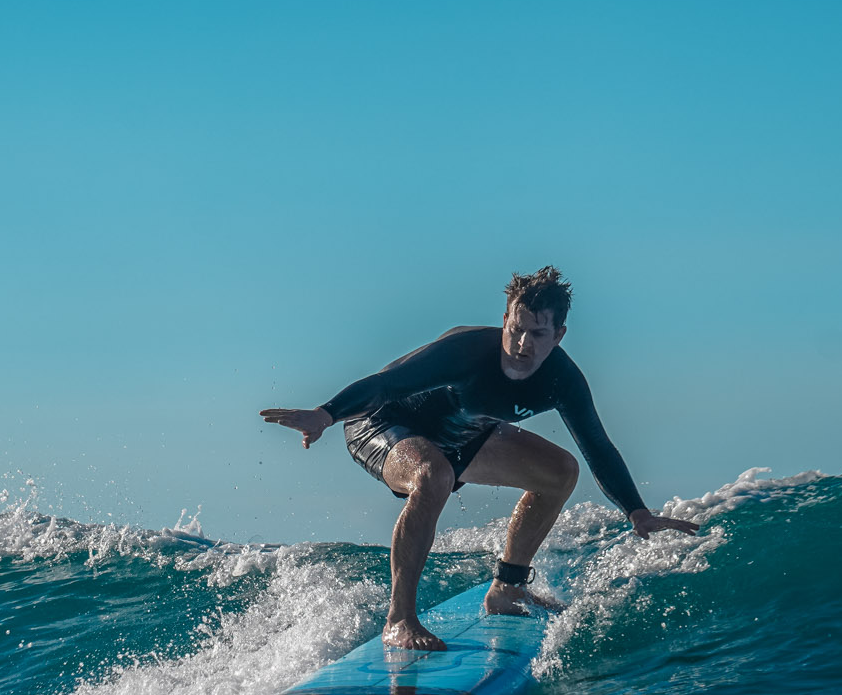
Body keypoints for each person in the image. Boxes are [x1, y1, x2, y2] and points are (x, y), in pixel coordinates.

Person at [261, 267, 699, 651]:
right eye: (516, 328)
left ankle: (508, 589)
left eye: (538, 333)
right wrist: (325, 414)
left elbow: (597, 445)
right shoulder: (468, 352)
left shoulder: (562, 379)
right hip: (381, 424)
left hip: (463, 437)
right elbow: (385, 385)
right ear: (505, 319)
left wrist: (636, 512)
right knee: (433, 474)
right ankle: (399, 620)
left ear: (559, 335)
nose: (522, 343)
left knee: (560, 471)